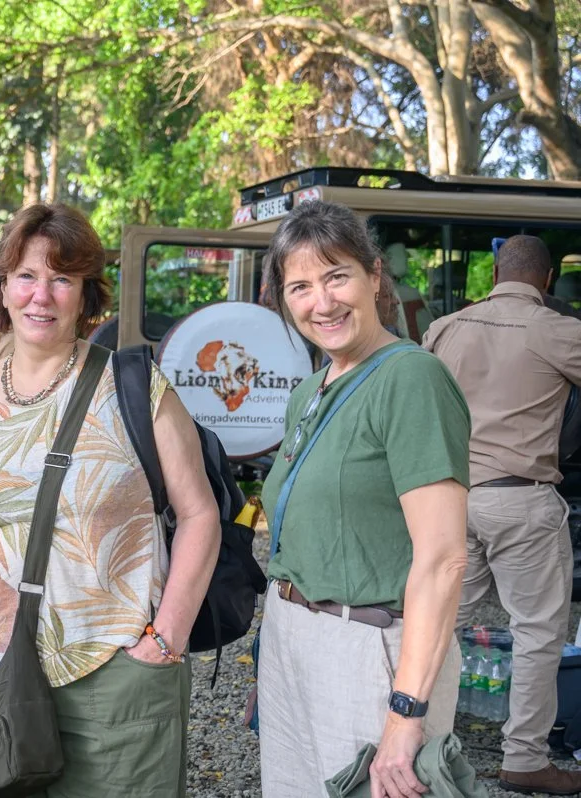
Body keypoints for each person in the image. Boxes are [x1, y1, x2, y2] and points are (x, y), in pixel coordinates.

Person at [0, 203, 221, 798]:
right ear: (2, 288)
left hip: (118, 675)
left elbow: (199, 513)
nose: (41, 296)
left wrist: (166, 637)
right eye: (26, 276)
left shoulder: (135, 386)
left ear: (86, 293)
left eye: (62, 279)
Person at [256, 201, 471, 797]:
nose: (321, 303)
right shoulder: (309, 391)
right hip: (294, 636)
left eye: (336, 276)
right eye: (300, 286)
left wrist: (406, 713)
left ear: (375, 277)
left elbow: (444, 560)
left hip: (371, 649)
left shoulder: (411, 379)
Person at [424, 234, 581, 795]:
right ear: (547, 280)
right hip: (520, 501)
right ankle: (525, 759)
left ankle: (409, 737)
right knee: (538, 633)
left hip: (447, 500)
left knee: (432, 625)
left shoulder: (444, 329)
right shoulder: (558, 330)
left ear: (494, 273)